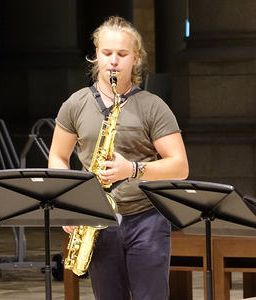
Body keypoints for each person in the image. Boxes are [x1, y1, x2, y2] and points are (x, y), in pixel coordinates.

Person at [48, 16, 189, 300]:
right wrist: (68, 204)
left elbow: (180, 166)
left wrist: (133, 169)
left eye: (122, 54)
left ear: (135, 58)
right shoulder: (75, 104)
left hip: (146, 218)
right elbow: (58, 157)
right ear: (95, 56)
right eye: (107, 53)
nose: (113, 61)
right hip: (100, 220)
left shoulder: (152, 106)